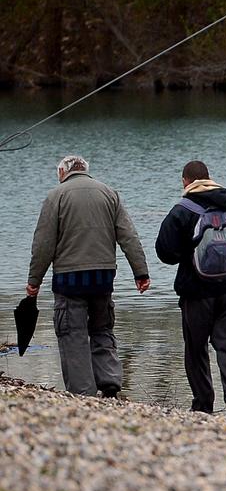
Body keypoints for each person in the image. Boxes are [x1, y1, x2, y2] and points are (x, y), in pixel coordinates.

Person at [27, 154, 151, 397]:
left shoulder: (55, 196)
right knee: (102, 328)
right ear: (85, 170)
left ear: (62, 173)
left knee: (72, 335)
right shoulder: (109, 193)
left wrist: (34, 281)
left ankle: (83, 393)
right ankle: (110, 383)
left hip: (69, 281)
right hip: (103, 279)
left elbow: (43, 244)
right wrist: (141, 272)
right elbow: (129, 236)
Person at [155, 160, 226, 415]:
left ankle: (203, 405)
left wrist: (190, 251)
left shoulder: (181, 210)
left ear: (185, 181)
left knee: (196, 350)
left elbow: (165, 252)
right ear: (210, 178)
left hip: (196, 292)